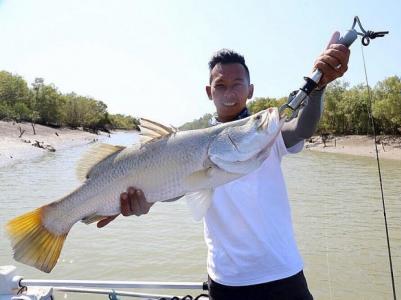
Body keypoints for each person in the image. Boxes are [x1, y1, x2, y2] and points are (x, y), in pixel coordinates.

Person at [98, 32, 350, 300]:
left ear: (250, 89)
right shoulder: (189, 146)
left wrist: (319, 87)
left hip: (283, 273)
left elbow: (302, 128)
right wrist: (142, 202)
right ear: (209, 92)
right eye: (220, 86)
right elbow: (175, 190)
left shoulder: (267, 135)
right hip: (227, 281)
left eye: (237, 84)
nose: (229, 93)